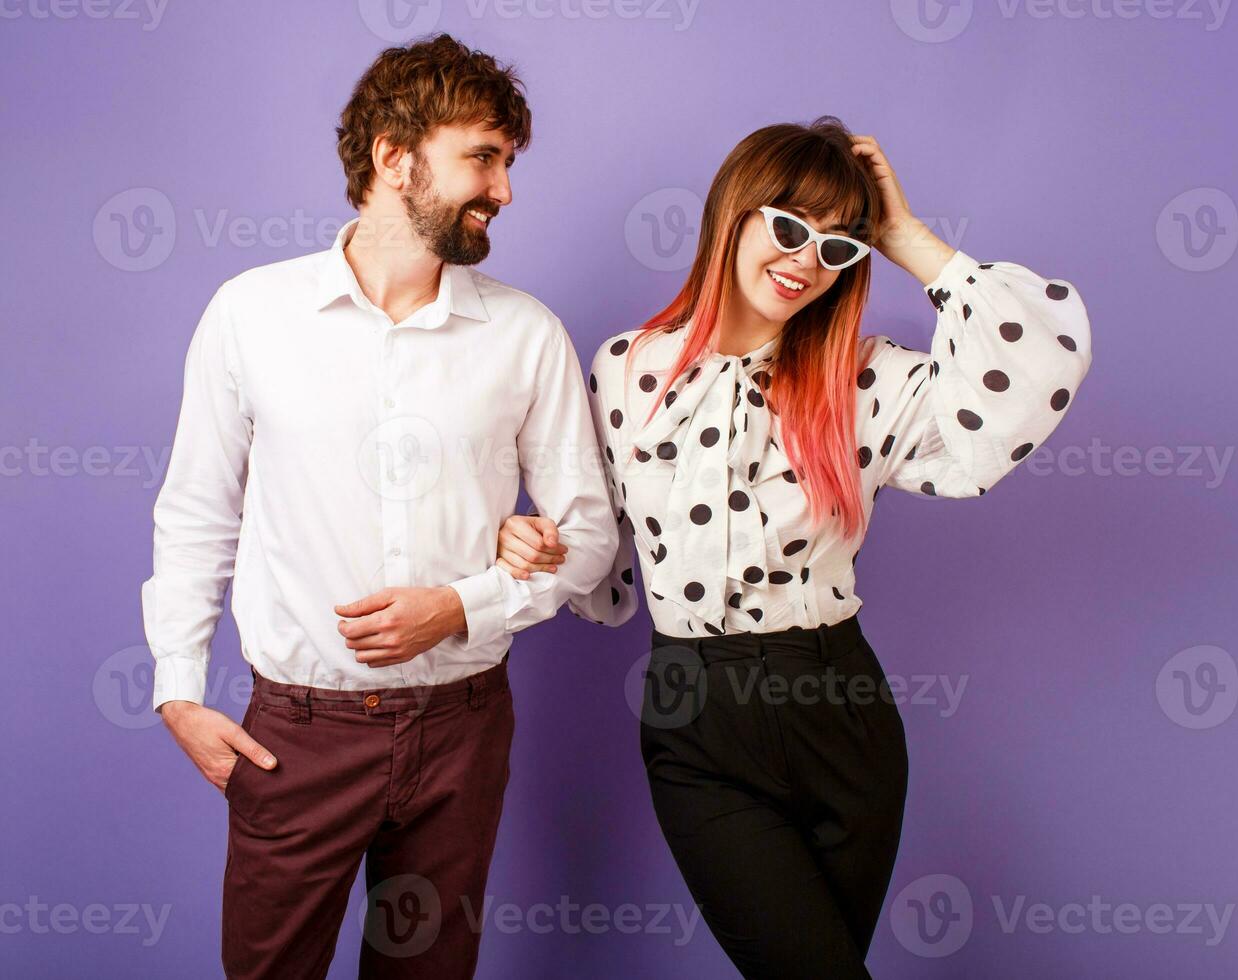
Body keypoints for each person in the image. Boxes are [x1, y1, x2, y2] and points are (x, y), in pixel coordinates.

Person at [494, 117, 1093, 978]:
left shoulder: (865, 380)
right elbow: (601, 554)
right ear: (734, 213)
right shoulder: (624, 370)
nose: (808, 258)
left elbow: (1036, 369)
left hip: (840, 712)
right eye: (788, 227)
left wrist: (906, 240)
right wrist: (539, 542)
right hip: (696, 720)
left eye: (840, 247)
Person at [140, 34, 617, 979]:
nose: (505, 190)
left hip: (465, 729)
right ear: (394, 158)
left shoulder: (526, 334)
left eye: (508, 162)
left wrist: (466, 604)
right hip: (297, 737)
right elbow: (197, 508)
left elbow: (593, 537)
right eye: (481, 157)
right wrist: (176, 687)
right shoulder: (250, 314)